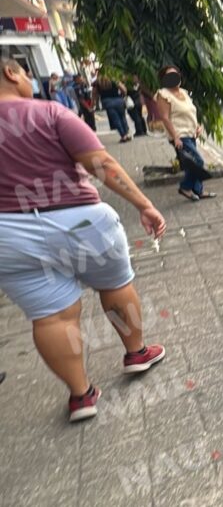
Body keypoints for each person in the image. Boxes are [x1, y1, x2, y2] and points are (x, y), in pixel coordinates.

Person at [0, 58, 167, 422]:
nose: (29, 80)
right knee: (114, 285)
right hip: (79, 220)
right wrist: (145, 205)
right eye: (25, 73)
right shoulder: (49, 113)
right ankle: (136, 353)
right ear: (11, 73)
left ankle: (81, 396)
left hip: (8, 234)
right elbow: (102, 164)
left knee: (50, 317)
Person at [155, 65, 215, 201]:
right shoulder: (163, 95)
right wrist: (175, 137)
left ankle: (198, 190)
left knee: (191, 164)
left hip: (190, 133)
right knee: (198, 161)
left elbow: (190, 112)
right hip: (179, 135)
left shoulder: (184, 92)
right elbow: (165, 118)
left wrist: (197, 126)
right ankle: (185, 187)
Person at [94, 76, 131, 143]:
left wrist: (95, 103)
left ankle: (123, 136)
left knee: (116, 119)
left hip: (107, 102)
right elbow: (124, 89)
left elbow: (95, 94)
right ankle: (127, 134)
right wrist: (123, 96)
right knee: (123, 117)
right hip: (118, 100)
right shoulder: (114, 80)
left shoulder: (97, 83)